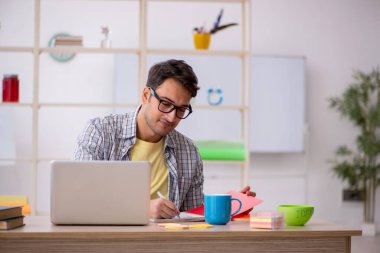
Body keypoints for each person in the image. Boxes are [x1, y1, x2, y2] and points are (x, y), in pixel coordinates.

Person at [74, 59, 255, 219]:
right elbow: (80, 200)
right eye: (166, 104)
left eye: (181, 109)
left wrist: (228, 209)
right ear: (146, 95)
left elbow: (191, 217)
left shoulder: (189, 151)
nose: (171, 117)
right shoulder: (100, 133)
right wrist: (143, 209)